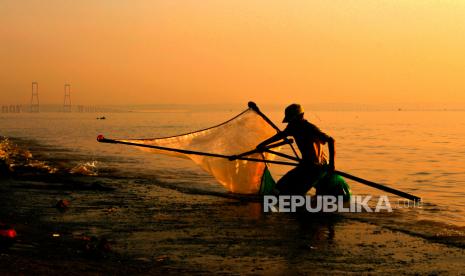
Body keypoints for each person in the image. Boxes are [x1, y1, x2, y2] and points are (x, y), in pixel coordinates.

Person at [256, 104, 335, 195]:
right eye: (289, 120)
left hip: (318, 167)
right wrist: (262, 144)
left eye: (292, 119)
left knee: (296, 192)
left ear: (300, 116)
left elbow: (331, 141)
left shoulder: (309, 128)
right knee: (279, 187)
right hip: (306, 166)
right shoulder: (293, 127)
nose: (290, 122)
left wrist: (332, 164)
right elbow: (280, 136)